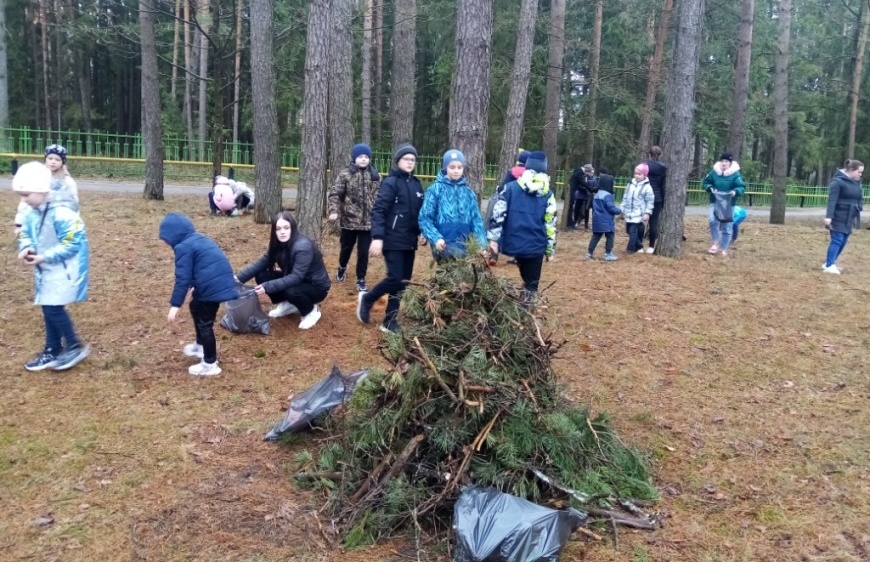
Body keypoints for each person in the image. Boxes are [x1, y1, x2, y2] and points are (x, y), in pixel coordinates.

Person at [14, 161, 92, 372]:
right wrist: (27, 248)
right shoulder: (33, 211)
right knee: (48, 306)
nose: (24, 200)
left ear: (40, 190)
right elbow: (27, 235)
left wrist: (44, 256)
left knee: (52, 307)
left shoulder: (63, 212)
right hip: (47, 267)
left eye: (26, 194)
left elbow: (73, 243)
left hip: (66, 269)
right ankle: (53, 349)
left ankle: (74, 345)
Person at [357, 144, 425, 334]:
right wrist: (377, 237)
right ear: (398, 162)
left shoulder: (417, 184)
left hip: (409, 240)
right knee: (395, 277)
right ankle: (369, 298)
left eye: (413, 160)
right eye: (406, 159)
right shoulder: (391, 182)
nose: (410, 162)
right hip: (392, 238)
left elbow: (419, 214)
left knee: (403, 281)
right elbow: (379, 210)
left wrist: (422, 232)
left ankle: (390, 320)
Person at [160, 212, 238, 376]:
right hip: (213, 283)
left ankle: (210, 363)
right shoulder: (197, 239)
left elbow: (183, 277)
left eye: (166, 238)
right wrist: (194, 287)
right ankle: (200, 345)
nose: (165, 243)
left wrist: (175, 305)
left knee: (205, 324)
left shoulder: (183, 247)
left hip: (213, 288)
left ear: (174, 235)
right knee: (195, 306)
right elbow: (204, 266)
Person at [236, 211, 331, 328]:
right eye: (278, 229)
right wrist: (238, 279)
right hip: (296, 280)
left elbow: (296, 277)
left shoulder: (302, 246)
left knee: (290, 291)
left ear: (292, 228)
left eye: (286, 228)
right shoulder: (278, 244)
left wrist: (267, 286)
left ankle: (311, 311)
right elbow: (261, 263)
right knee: (262, 275)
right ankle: (289, 304)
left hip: (316, 286)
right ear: (274, 231)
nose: (282, 232)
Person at [487, 151, 557, 306]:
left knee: (526, 277)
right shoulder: (548, 194)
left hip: (515, 243)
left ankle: (523, 303)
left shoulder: (510, 188)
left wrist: (493, 239)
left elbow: (498, 214)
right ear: (544, 168)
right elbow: (550, 224)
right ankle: (525, 312)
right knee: (532, 283)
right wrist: (550, 250)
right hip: (536, 245)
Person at [328, 143, 381, 292]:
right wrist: (334, 210)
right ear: (354, 158)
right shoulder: (345, 174)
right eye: (360, 157)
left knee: (363, 252)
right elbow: (335, 194)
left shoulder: (375, 176)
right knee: (346, 248)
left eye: (366, 157)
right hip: (349, 221)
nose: (363, 159)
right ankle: (342, 267)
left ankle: (361, 279)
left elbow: (380, 198)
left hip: (368, 223)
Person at [418, 149, 487, 261]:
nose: (456, 171)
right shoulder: (435, 190)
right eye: (452, 167)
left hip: (466, 245)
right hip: (444, 244)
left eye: (459, 167)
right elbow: (425, 218)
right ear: (446, 167)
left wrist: (481, 244)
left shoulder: (468, 193)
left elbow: (476, 220)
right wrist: (436, 238)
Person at [14, 144, 79, 234]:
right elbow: (26, 203)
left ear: (63, 162)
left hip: (57, 224)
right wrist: (19, 223)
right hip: (37, 222)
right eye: (50, 158)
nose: (53, 162)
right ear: (45, 159)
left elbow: (74, 203)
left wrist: (73, 224)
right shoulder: (37, 178)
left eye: (57, 159)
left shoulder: (68, 182)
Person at [485, 150, 529, 265]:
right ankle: (517, 257)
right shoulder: (529, 175)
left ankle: (494, 255)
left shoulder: (512, 172)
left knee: (499, 229)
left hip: (506, 206)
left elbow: (502, 188)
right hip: (520, 209)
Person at [822, 159, 864, 274]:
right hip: (838, 215)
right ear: (851, 170)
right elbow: (832, 200)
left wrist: (859, 206)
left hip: (850, 216)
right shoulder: (837, 182)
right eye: (859, 172)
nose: (860, 175)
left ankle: (830, 262)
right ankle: (829, 266)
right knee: (837, 239)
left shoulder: (857, 182)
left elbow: (860, 196)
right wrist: (829, 216)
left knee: (844, 240)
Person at [703, 152, 746, 257]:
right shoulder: (714, 172)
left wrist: (735, 191)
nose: (724, 163)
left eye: (726, 161)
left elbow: (741, 187)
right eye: (722, 161)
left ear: (730, 163)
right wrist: (709, 188)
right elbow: (705, 182)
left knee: (727, 226)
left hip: (729, 203)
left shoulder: (735, 174)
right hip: (715, 201)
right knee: (712, 221)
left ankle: (724, 249)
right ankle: (715, 243)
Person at [586, 167, 622, 261]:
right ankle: (608, 253)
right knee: (610, 236)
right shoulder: (607, 196)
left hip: (596, 220)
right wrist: (619, 210)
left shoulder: (597, 194)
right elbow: (611, 208)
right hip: (606, 221)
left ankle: (589, 253)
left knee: (595, 237)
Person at [620, 163, 654, 254]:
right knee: (628, 230)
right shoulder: (630, 184)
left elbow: (650, 201)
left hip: (638, 213)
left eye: (639, 174)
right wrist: (622, 208)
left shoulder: (647, 187)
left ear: (644, 175)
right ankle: (639, 245)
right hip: (629, 212)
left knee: (632, 231)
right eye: (635, 174)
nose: (637, 176)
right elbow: (625, 196)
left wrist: (647, 213)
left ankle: (631, 249)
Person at [644, 146, 667, 253]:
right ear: (660, 155)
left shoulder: (645, 166)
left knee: (640, 221)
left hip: (644, 196)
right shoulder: (663, 168)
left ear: (650, 154)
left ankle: (638, 244)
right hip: (657, 197)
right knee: (654, 222)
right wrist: (663, 199)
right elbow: (663, 186)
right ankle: (651, 246)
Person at [566, 164, 594, 230]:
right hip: (571, 191)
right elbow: (583, 183)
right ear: (587, 170)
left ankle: (571, 223)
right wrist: (591, 189)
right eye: (589, 172)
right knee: (570, 208)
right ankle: (569, 224)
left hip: (572, 191)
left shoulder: (578, 171)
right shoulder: (579, 173)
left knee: (571, 207)